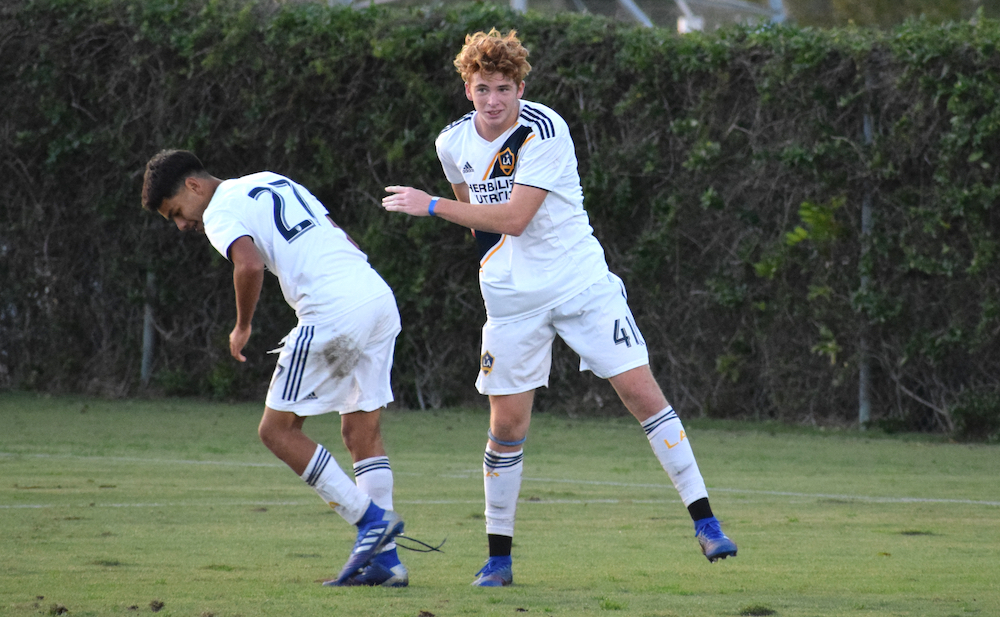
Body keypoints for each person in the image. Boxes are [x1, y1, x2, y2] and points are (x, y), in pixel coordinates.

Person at [382, 29, 737, 587]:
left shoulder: (544, 130)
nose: (494, 99)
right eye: (482, 88)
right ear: (466, 90)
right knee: (507, 429)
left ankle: (707, 523)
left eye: (504, 87)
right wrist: (493, 269)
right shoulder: (450, 142)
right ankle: (498, 560)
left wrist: (428, 206)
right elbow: (475, 213)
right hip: (511, 305)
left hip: (580, 287)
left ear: (521, 86)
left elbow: (514, 218)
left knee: (643, 394)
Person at [142, 149, 408, 587]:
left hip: (332, 310)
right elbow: (343, 236)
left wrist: (242, 326)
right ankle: (386, 563)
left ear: (194, 186)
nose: (182, 224)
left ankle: (369, 520)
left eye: (176, 212)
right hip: (375, 296)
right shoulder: (269, 179)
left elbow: (248, 264)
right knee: (361, 432)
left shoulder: (218, 210)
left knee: (276, 431)